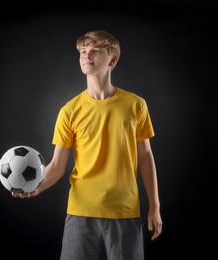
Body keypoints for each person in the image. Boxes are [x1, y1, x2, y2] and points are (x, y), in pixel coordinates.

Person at [12, 29, 162, 260]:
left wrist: (155, 205)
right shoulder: (69, 111)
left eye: (95, 51)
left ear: (112, 59)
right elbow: (57, 166)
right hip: (80, 212)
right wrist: (36, 188)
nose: (86, 55)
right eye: (83, 51)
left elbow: (146, 157)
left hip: (124, 210)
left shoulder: (136, 106)